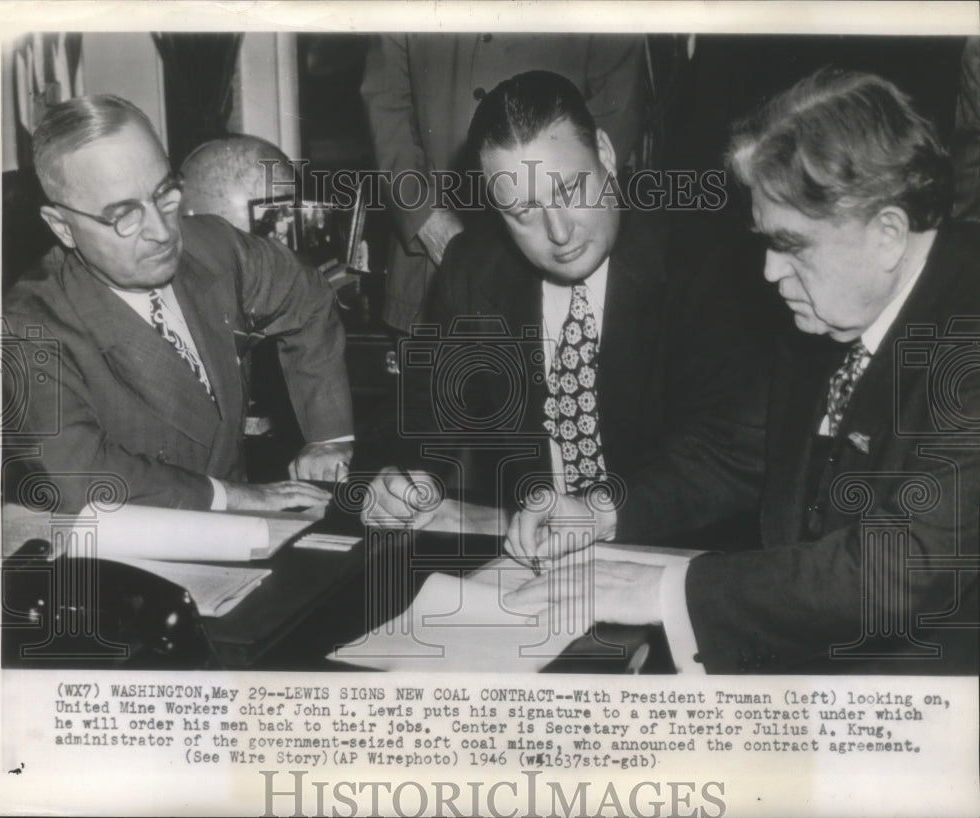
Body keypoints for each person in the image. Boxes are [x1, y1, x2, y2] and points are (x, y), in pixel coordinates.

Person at [509, 69, 980, 674]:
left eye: (791, 245)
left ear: (888, 234)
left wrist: (664, 592)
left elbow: (898, 570)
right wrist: (601, 509)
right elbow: (738, 451)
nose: (769, 271)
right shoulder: (832, 312)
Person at [363, 71, 767, 546]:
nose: (558, 232)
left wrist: (597, 513)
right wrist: (401, 479)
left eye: (570, 190)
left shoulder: (703, 258)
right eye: (524, 212)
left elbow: (734, 450)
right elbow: (423, 420)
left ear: (606, 153)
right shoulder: (473, 269)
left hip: (679, 553)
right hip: (536, 559)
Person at [3, 95, 354, 514]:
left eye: (165, 194)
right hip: (133, 544)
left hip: (245, 528)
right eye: (125, 216)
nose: (162, 231)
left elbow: (307, 298)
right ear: (62, 226)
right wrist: (233, 497)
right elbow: (78, 477)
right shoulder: (27, 325)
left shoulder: (214, 247)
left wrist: (328, 436)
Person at [360, 34, 645, 334]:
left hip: (574, 264)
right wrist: (426, 220)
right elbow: (385, 101)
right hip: (432, 257)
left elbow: (617, 98)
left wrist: (561, 205)